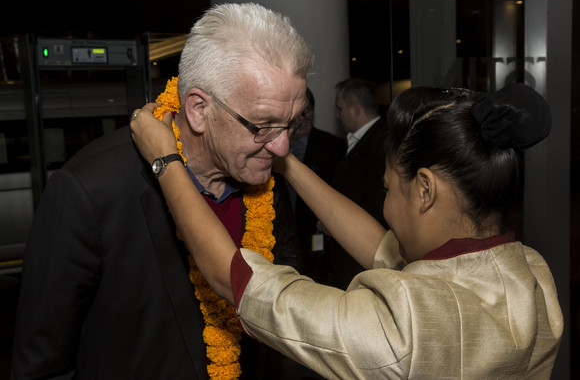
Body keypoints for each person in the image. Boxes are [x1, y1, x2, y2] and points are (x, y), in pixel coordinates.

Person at [130, 82, 563, 379]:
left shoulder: (404, 327)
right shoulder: (532, 273)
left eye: (388, 189)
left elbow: (235, 278)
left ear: (426, 189)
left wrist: (165, 160)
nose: (387, 209)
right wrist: (282, 158)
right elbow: (382, 248)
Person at [12, 3, 312, 379]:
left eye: (293, 122)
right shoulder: (90, 190)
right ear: (199, 109)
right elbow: (41, 366)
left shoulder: (264, 178)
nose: (282, 148)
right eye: (263, 125)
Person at [318, 78, 389, 289]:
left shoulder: (379, 144)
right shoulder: (360, 139)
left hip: (362, 263)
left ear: (356, 109)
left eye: (340, 108)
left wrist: (335, 222)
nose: (337, 115)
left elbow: (375, 207)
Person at [287, 88, 346, 276]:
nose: (301, 117)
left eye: (305, 111)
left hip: (316, 235)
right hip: (283, 234)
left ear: (311, 111)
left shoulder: (333, 146)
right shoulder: (274, 145)